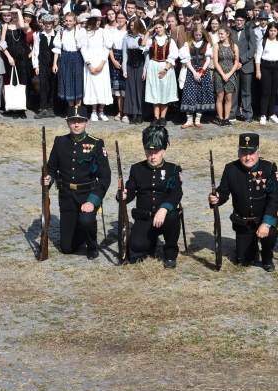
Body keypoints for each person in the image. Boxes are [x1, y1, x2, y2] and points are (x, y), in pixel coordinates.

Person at [42, 106, 112, 260]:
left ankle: (92, 245)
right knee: (67, 248)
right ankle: (80, 231)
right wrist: (49, 179)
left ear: (86, 122)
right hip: (67, 197)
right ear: (68, 122)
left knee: (86, 220)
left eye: (80, 121)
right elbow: (52, 167)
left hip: (87, 195)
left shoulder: (96, 143)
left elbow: (105, 176)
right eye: (73, 121)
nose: (76, 125)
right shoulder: (60, 142)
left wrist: (93, 201)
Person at [208, 133, 278, 271]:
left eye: (252, 153)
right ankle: (252, 247)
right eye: (244, 153)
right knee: (244, 261)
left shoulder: (269, 168)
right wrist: (216, 197)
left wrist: (266, 223)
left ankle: (267, 257)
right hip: (243, 222)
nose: (248, 157)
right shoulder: (230, 169)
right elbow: (223, 192)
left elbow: (275, 197)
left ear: (258, 153)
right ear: (238, 154)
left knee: (270, 233)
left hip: (263, 218)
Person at [117, 126, 183, 268]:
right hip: (144, 217)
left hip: (165, 216)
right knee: (136, 246)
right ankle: (151, 242)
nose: (153, 156)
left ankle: (170, 255)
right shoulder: (136, 168)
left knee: (173, 217)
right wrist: (122, 195)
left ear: (163, 152)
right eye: (149, 152)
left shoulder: (173, 169)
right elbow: (130, 191)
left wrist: (164, 209)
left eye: (156, 152)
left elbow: (177, 193)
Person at [142, 18, 178, 126]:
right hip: (153, 66)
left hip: (165, 66)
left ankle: (163, 117)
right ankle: (156, 117)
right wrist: (149, 31)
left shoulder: (170, 40)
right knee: (155, 91)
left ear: (164, 26)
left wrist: (165, 70)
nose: (158, 30)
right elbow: (143, 44)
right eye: (156, 28)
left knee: (164, 91)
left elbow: (173, 57)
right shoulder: (152, 39)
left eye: (160, 27)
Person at [179, 23, 216, 128]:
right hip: (191, 71)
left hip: (203, 71)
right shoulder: (188, 44)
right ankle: (189, 120)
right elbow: (186, 60)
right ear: (193, 34)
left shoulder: (207, 44)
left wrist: (201, 71)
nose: (198, 37)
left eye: (200, 35)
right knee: (189, 95)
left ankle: (198, 119)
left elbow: (208, 59)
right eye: (196, 35)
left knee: (201, 95)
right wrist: (194, 72)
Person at [81, 9, 113, 122]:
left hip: (102, 63)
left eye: (100, 20)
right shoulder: (85, 32)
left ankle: (101, 111)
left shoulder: (104, 32)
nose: (98, 22)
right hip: (90, 62)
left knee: (102, 86)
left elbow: (107, 47)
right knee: (92, 87)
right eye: (96, 20)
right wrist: (89, 64)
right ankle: (93, 112)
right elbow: (83, 48)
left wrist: (102, 63)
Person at [256, 22, 278, 125]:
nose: (272, 33)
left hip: (277, 67)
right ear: (268, 31)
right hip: (265, 67)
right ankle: (263, 114)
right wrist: (258, 70)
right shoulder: (263, 41)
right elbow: (258, 58)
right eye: (271, 31)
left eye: (274, 31)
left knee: (273, 92)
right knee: (265, 92)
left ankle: (272, 113)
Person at [229, 9, 256, 123]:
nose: (239, 22)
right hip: (233, 65)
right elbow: (228, 47)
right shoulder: (230, 31)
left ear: (245, 21)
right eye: (237, 20)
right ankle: (232, 113)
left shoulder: (250, 31)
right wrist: (235, 61)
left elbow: (252, 49)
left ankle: (247, 113)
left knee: (246, 91)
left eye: (241, 20)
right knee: (234, 90)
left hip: (246, 65)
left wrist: (241, 60)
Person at [54, 12, 85, 107]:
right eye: (66, 21)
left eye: (70, 21)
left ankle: (78, 109)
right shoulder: (61, 31)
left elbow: (83, 47)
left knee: (77, 82)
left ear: (75, 21)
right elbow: (57, 48)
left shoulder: (80, 31)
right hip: (64, 58)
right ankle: (71, 109)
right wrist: (55, 63)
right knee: (67, 82)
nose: (68, 22)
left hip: (77, 57)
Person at [122, 15, 147, 124]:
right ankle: (133, 113)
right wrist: (124, 69)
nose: (132, 27)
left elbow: (146, 56)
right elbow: (125, 54)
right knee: (131, 90)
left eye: (134, 25)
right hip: (130, 66)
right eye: (131, 25)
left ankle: (140, 113)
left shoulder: (142, 37)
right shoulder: (127, 37)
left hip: (140, 66)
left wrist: (145, 70)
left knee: (139, 90)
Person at [32, 13, 58, 119]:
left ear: (53, 23)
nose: (48, 25)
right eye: (46, 23)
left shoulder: (56, 34)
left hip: (53, 63)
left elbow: (58, 49)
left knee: (53, 84)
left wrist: (56, 64)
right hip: (42, 62)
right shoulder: (39, 35)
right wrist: (36, 65)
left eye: (50, 23)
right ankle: (43, 107)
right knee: (43, 84)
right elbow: (36, 50)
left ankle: (51, 107)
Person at [213, 25, 239, 126]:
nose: (220, 35)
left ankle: (227, 118)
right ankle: (220, 118)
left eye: (221, 33)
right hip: (219, 74)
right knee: (220, 97)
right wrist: (223, 74)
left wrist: (229, 74)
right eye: (219, 34)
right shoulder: (217, 46)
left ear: (227, 34)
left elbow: (236, 61)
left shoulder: (234, 46)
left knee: (229, 97)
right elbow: (215, 62)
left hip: (230, 74)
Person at [108, 10, 128, 121]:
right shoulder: (113, 31)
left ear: (126, 19)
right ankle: (120, 111)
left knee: (126, 87)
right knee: (118, 88)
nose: (120, 19)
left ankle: (127, 112)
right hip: (115, 56)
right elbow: (110, 47)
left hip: (126, 57)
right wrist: (113, 60)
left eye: (122, 18)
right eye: (118, 17)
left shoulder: (129, 31)